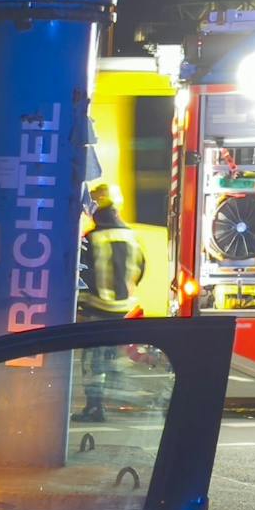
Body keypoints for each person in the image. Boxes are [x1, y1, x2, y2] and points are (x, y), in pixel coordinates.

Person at [73, 181, 145, 423]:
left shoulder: (92, 238)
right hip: (124, 309)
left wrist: (80, 305)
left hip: (97, 308)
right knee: (112, 357)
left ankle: (95, 408)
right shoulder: (131, 236)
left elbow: (82, 275)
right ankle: (117, 395)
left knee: (93, 361)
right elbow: (140, 269)